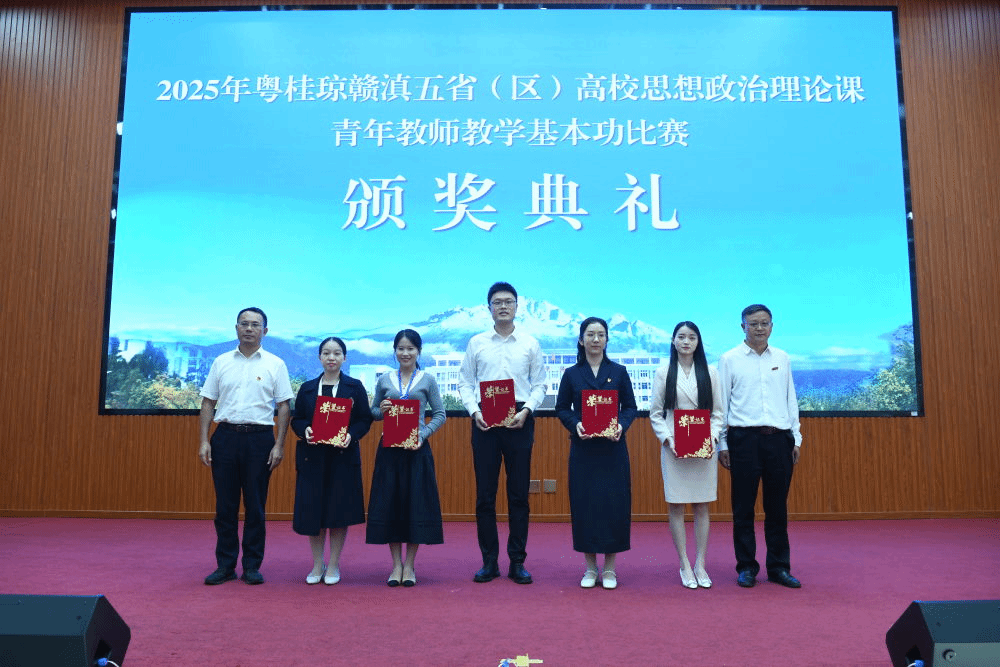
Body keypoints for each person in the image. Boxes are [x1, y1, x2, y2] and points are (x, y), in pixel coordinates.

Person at [458, 282, 546, 585]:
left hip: (520, 419)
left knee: (519, 494)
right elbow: (465, 383)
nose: (504, 306)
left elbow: (540, 385)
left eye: (509, 301)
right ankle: (489, 562)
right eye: (498, 302)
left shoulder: (530, 344)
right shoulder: (476, 343)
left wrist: (527, 410)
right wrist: (475, 412)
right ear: (489, 308)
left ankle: (517, 562)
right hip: (485, 420)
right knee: (485, 495)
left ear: (517, 306)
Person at [198, 307, 293, 586]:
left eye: (255, 324)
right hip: (225, 437)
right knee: (225, 507)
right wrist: (204, 440)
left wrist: (279, 445)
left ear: (265, 330)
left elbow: (284, 406)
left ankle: (252, 566)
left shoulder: (275, 364)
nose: (249, 328)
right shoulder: (221, 362)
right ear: (236, 328)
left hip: (260, 440)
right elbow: (208, 402)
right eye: (244, 324)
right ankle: (225, 565)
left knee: (255, 506)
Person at [718, 304, 803, 589]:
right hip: (743, 440)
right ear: (742, 326)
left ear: (772, 326)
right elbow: (721, 404)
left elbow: (790, 399)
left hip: (779, 439)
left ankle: (779, 568)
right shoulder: (729, 359)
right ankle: (746, 567)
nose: (759, 328)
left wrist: (796, 437)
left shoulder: (782, 357)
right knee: (743, 508)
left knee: (777, 508)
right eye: (753, 323)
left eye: (764, 323)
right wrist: (722, 443)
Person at [555, 317, 637, 590]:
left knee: (614, 505)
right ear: (581, 340)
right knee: (586, 505)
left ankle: (610, 569)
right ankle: (590, 568)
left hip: (613, 449)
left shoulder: (619, 372)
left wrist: (621, 425)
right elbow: (561, 408)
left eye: (601, 334)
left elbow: (630, 408)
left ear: (607, 340)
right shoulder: (571, 374)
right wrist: (575, 424)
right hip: (584, 450)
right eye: (590, 334)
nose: (595, 339)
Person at [290, 337, 373, 585]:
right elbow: (297, 419)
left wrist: (351, 435)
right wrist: (304, 430)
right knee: (313, 513)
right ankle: (318, 564)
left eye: (337, 353)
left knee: (339, 512)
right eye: (326, 353)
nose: (331, 357)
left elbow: (365, 419)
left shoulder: (354, 387)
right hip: (312, 458)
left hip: (342, 458)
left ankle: (334, 564)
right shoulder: (307, 388)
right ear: (319, 357)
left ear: (344, 358)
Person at [367, 329, 447, 587]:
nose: (405, 353)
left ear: (419, 351)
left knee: (415, 506)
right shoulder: (385, 379)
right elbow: (373, 412)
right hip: (389, 450)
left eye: (410, 348)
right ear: (394, 351)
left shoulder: (428, 379)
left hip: (416, 450)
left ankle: (410, 565)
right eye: (401, 348)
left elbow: (440, 414)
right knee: (390, 505)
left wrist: (423, 434)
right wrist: (381, 409)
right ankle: (396, 565)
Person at [649, 321, 723, 589]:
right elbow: (656, 413)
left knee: (702, 506)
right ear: (673, 341)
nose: (686, 342)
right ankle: (684, 564)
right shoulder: (663, 372)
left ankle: (700, 564)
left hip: (704, 449)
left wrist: (711, 438)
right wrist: (668, 439)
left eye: (691, 337)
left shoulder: (711, 372)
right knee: (677, 506)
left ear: (698, 342)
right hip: (674, 448)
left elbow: (718, 413)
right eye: (681, 337)